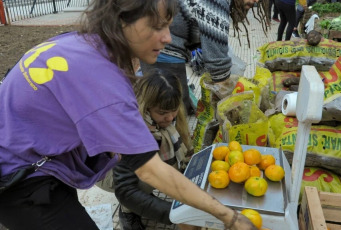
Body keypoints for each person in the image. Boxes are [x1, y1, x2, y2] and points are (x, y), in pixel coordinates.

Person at [0, 0, 256, 230]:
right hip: (18, 180)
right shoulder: (103, 82)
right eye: (157, 26)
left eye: (168, 26)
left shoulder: (79, 42)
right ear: (123, 19)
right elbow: (149, 171)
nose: (168, 37)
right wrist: (229, 217)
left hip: (37, 159)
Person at [140, 0, 270, 109]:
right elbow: (217, 61)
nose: (257, 1)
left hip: (157, 45)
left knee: (172, 106)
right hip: (161, 50)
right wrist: (233, 105)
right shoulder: (216, 1)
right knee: (171, 111)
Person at [114, 68, 196, 230]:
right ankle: (127, 211)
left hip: (131, 164)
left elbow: (183, 156)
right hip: (107, 171)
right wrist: (175, 215)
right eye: (163, 113)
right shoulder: (132, 129)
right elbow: (125, 188)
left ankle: (144, 199)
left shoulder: (169, 117)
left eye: (174, 110)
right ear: (146, 107)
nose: (170, 118)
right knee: (147, 178)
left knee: (157, 172)